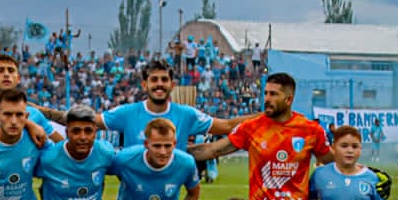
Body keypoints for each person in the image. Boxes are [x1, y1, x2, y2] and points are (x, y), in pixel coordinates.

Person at [189, 72, 331, 200]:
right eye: (266, 93)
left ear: (288, 99)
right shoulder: (252, 127)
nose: (267, 99)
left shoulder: (310, 130)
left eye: (273, 94)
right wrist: (173, 151)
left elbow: (332, 164)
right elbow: (212, 150)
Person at [42, 58, 246, 147]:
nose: (159, 84)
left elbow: (228, 125)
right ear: (144, 84)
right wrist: (38, 111)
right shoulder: (126, 113)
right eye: (154, 80)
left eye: (164, 80)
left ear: (172, 85)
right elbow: (81, 120)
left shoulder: (187, 115)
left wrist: (263, 118)